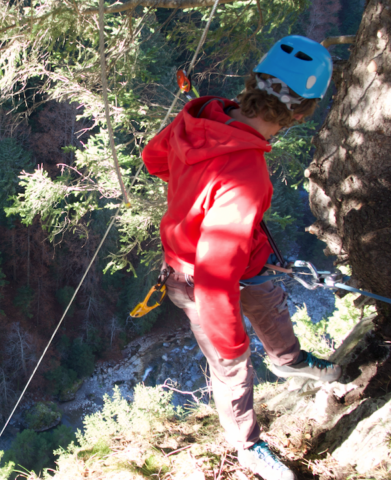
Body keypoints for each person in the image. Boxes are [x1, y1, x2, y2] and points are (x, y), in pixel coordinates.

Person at [142, 35, 341, 480]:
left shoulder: (200, 116)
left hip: (231, 260)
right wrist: (230, 342)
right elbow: (215, 276)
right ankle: (247, 446)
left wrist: (192, 183)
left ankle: (289, 362)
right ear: (301, 113)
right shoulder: (247, 173)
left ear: (254, 82)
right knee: (232, 368)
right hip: (202, 279)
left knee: (268, 302)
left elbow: (153, 159)